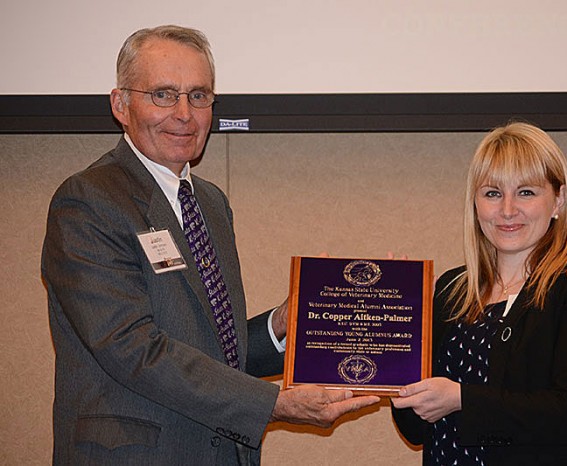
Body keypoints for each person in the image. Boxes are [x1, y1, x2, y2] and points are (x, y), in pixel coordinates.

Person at [41, 25, 378, 465]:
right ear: (121, 104)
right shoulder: (88, 201)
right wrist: (272, 404)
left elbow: (216, 351)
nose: (184, 113)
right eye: (164, 94)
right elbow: (132, 348)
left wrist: (280, 326)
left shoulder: (212, 204)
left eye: (199, 96)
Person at [391, 122, 567, 465]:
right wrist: (398, 334)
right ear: (475, 203)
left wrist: (463, 400)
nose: (507, 209)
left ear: (558, 200)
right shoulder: (451, 289)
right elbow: (413, 428)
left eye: (526, 192)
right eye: (493, 193)